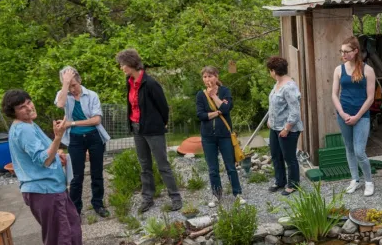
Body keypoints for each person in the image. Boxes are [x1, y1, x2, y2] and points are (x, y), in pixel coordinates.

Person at [2, 90, 92, 245]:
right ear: (14, 112)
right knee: (58, 231)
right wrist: (58, 137)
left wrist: (58, 155)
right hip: (43, 190)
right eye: (21, 107)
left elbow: (45, 154)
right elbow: (43, 160)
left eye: (28, 102)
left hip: (52, 186)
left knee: (71, 221)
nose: (28, 107)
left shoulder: (28, 124)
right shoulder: (23, 129)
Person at [116, 49, 182, 213]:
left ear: (131, 64)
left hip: (153, 130)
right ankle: (148, 198)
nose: (121, 68)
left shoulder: (151, 83)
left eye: (122, 64)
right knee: (144, 165)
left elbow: (163, 107)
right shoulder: (129, 82)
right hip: (137, 128)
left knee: (162, 165)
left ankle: (175, 197)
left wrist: (162, 123)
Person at [54, 66, 111, 218]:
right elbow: (59, 104)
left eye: (74, 85)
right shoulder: (63, 95)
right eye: (68, 85)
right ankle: (75, 211)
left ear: (80, 81)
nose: (72, 89)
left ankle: (98, 204)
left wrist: (71, 124)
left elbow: (96, 119)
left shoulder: (91, 95)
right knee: (76, 177)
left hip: (94, 137)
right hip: (75, 140)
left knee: (97, 173)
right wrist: (65, 84)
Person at [331, 36, 377, 197]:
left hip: (361, 116)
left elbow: (371, 97)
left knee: (359, 151)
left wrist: (357, 116)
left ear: (355, 51)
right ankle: (355, 179)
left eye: (346, 51)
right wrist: (342, 113)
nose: (343, 54)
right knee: (349, 148)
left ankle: (369, 181)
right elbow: (334, 95)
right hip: (343, 115)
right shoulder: (339, 70)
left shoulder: (367, 70)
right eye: (341, 51)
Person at [195, 66, 242, 201]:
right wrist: (217, 112)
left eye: (210, 76)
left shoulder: (225, 91)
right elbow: (201, 115)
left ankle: (237, 193)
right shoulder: (200, 95)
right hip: (208, 137)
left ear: (216, 77)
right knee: (213, 169)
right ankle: (217, 195)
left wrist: (214, 96)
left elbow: (227, 108)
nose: (207, 79)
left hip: (224, 135)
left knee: (230, 166)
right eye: (205, 77)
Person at [266, 56, 304, 195]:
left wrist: (287, 128)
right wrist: (270, 120)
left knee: (289, 157)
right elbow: (273, 106)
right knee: (276, 155)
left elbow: (295, 110)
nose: (270, 73)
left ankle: (293, 184)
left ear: (274, 71)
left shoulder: (289, 87)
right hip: (275, 128)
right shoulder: (277, 84)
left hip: (288, 129)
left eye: (270, 70)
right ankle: (280, 181)